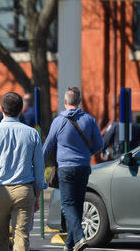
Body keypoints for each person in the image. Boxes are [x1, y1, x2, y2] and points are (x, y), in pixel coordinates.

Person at [0, 92, 45, 251]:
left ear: (1, 108)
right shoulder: (32, 133)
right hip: (24, 189)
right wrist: (37, 194)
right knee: (21, 238)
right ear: (21, 110)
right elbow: (39, 168)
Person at [43, 87, 103, 251]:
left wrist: (37, 165)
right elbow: (99, 144)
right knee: (76, 205)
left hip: (66, 168)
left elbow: (48, 146)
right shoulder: (89, 120)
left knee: (67, 204)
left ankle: (80, 237)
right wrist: (86, 154)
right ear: (79, 101)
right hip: (83, 167)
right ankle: (69, 244)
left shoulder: (58, 121)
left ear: (65, 102)